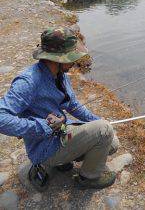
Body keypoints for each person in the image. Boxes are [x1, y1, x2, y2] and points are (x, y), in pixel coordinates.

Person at [0, 27, 119, 190]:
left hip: (62, 132)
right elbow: (1, 118)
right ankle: (88, 178)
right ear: (57, 58)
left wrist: (98, 121)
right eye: (71, 57)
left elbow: (73, 105)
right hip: (44, 147)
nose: (74, 62)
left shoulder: (60, 75)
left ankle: (64, 160)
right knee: (104, 131)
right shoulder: (28, 81)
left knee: (111, 142)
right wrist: (43, 126)